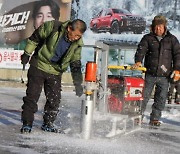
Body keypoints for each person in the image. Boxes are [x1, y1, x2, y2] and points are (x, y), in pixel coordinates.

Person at [20, 19, 87, 133]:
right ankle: (27, 124)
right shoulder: (53, 27)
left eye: (79, 36)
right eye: (75, 35)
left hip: (56, 71)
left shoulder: (77, 43)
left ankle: (48, 123)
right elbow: (35, 38)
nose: (76, 38)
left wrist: (78, 83)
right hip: (39, 65)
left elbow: (75, 63)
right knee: (32, 96)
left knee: (54, 99)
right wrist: (27, 53)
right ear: (69, 28)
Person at [132, 15, 180, 126]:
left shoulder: (172, 39)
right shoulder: (147, 38)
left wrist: (177, 69)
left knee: (161, 98)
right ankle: (138, 116)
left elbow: (178, 55)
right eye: (156, 27)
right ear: (152, 27)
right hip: (150, 74)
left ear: (164, 27)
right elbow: (141, 50)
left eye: (160, 27)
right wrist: (138, 61)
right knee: (143, 96)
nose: (158, 29)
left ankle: (155, 119)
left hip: (165, 75)